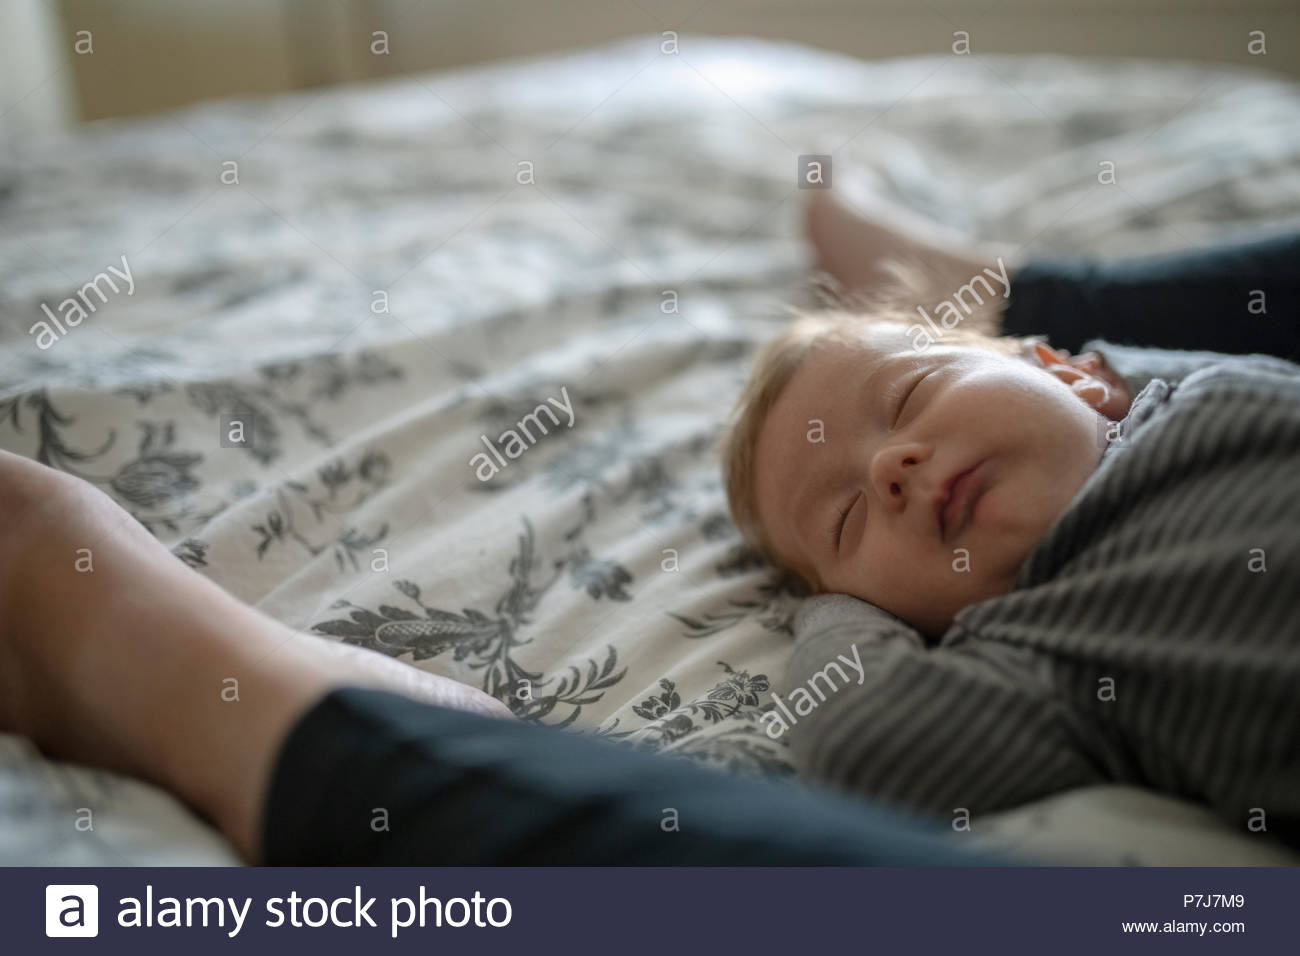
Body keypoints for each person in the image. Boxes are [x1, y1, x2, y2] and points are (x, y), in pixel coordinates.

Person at [718, 189, 1300, 844]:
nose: (889, 468)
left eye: (912, 394)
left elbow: (1107, 384)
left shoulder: (1198, 393)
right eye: (847, 520)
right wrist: (831, 604)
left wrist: (1096, 381)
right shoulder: (1036, 651)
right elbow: (868, 742)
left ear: (1074, 372)